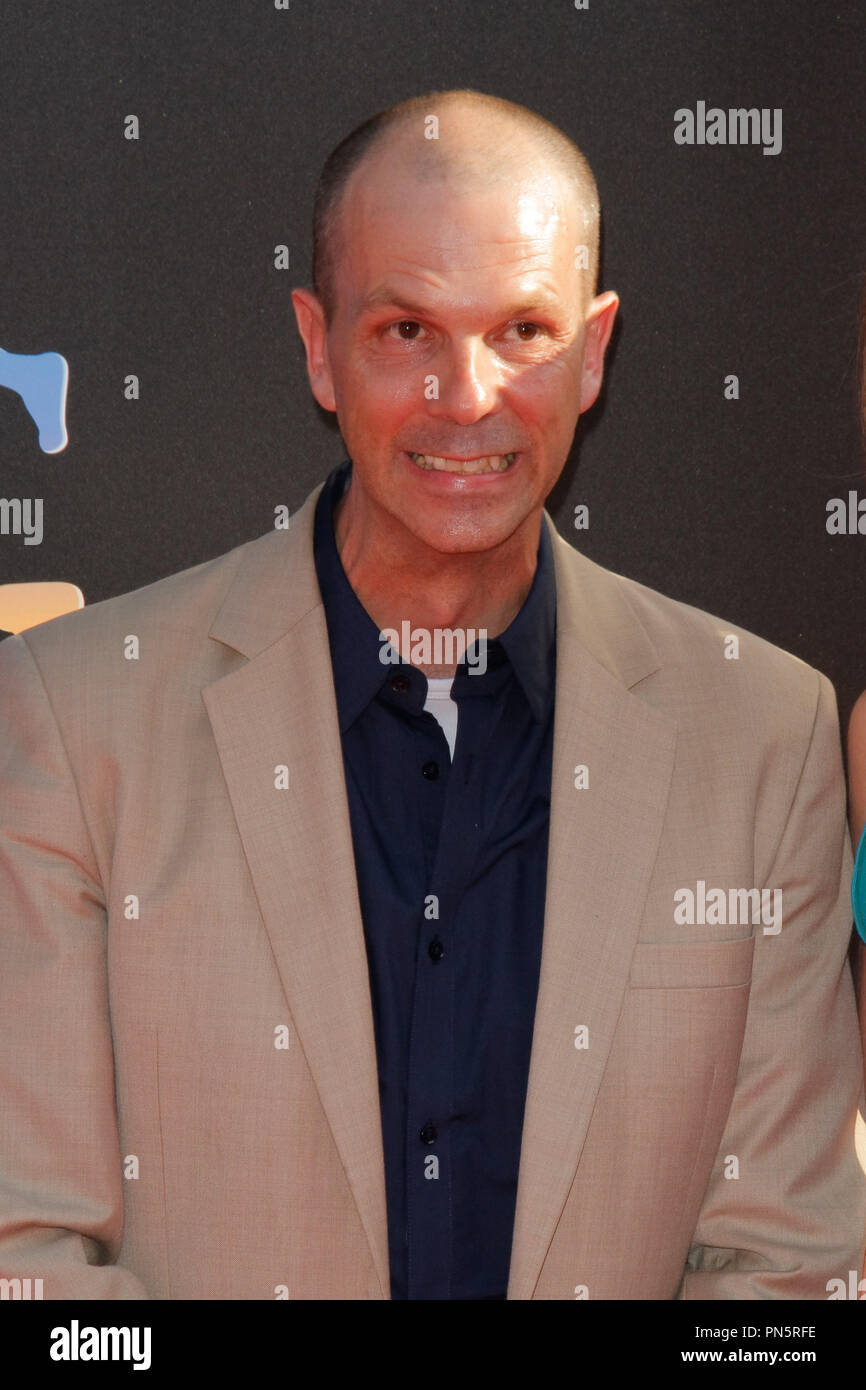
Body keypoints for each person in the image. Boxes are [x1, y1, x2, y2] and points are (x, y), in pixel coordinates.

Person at [0, 88, 863, 1302]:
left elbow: (784, 1274)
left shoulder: (762, 736)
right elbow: (26, 1263)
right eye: (406, 330)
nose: (466, 398)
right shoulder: (74, 714)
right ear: (316, 344)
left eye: (522, 330)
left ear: (596, 348)